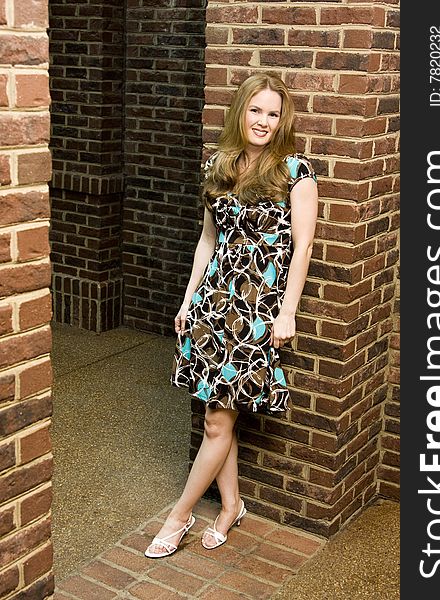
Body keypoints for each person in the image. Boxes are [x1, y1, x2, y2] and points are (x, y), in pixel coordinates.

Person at [144, 73, 318, 558]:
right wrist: (187, 299)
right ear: (241, 111)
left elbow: (303, 248)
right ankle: (232, 505)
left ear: (283, 121)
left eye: (273, 113)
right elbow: (208, 240)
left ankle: (178, 516)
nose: (263, 121)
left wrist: (288, 313)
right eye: (255, 110)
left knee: (218, 421)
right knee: (216, 419)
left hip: (258, 312)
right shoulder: (218, 165)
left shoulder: (295, 172)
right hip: (214, 304)